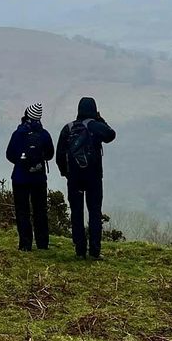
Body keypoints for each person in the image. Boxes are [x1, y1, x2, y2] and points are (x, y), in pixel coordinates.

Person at [55, 97, 116, 259]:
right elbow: (111, 135)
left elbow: (59, 155)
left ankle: (80, 250)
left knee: (76, 212)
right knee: (95, 212)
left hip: (74, 178)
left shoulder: (68, 128)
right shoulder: (95, 126)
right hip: (94, 176)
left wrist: (66, 173)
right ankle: (95, 251)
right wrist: (100, 119)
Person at [6, 102, 55, 250]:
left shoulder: (18, 134)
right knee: (40, 210)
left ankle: (25, 244)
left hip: (20, 178)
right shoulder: (44, 134)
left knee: (22, 211)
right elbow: (50, 154)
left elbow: (9, 154)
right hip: (39, 178)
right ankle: (42, 243)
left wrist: (21, 163)